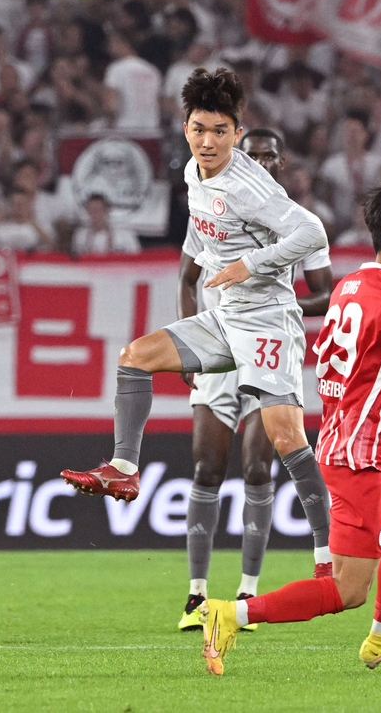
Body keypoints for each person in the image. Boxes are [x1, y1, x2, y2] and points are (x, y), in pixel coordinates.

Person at [60, 67, 333, 576]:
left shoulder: (251, 185)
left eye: (220, 131)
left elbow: (313, 232)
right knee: (134, 357)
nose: (208, 142)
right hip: (225, 318)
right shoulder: (192, 172)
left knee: (285, 436)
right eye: (199, 129)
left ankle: (327, 554)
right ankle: (123, 469)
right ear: (186, 126)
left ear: (237, 132)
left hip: (269, 321)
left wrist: (249, 265)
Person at [197, 186, 381, 676]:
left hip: (364, 441)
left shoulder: (352, 284)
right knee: (346, 591)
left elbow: (339, 367)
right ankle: (229, 614)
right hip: (356, 455)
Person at [178, 127, 333, 631]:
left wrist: (280, 303)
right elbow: (187, 277)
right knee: (205, 467)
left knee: (258, 469)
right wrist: (187, 342)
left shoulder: (295, 223)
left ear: (281, 164)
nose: (261, 162)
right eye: (254, 155)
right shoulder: (213, 200)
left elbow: (326, 294)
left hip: (267, 348)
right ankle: (195, 595)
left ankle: (247, 590)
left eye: (270, 156)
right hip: (219, 347)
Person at [71, 193, 141, 256]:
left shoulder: (125, 235)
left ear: (107, 210)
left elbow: (136, 259)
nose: (95, 214)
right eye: (91, 210)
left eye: (98, 210)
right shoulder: (80, 236)